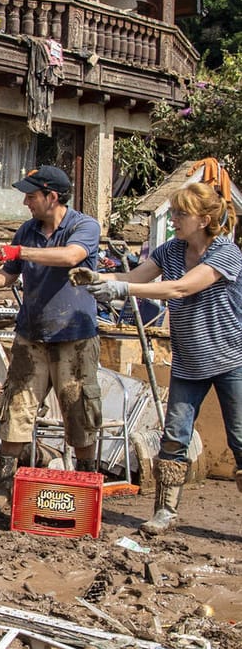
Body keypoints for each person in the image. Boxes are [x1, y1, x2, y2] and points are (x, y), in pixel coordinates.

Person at [73, 182, 242, 535]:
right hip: (189, 361)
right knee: (174, 437)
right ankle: (165, 512)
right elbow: (133, 279)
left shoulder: (226, 252)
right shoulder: (170, 251)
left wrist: (122, 288)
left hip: (230, 360)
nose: (175, 219)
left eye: (182, 213)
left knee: (240, 441)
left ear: (205, 219)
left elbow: (179, 288)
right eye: (176, 212)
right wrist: (98, 280)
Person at [0, 165, 103, 518]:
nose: (26, 202)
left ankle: (86, 492)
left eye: (31, 195)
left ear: (51, 197)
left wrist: (20, 252)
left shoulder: (83, 227)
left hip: (74, 336)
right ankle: (4, 491)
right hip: (32, 336)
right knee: (17, 409)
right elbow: (7, 274)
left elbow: (72, 257)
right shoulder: (29, 230)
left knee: (79, 413)